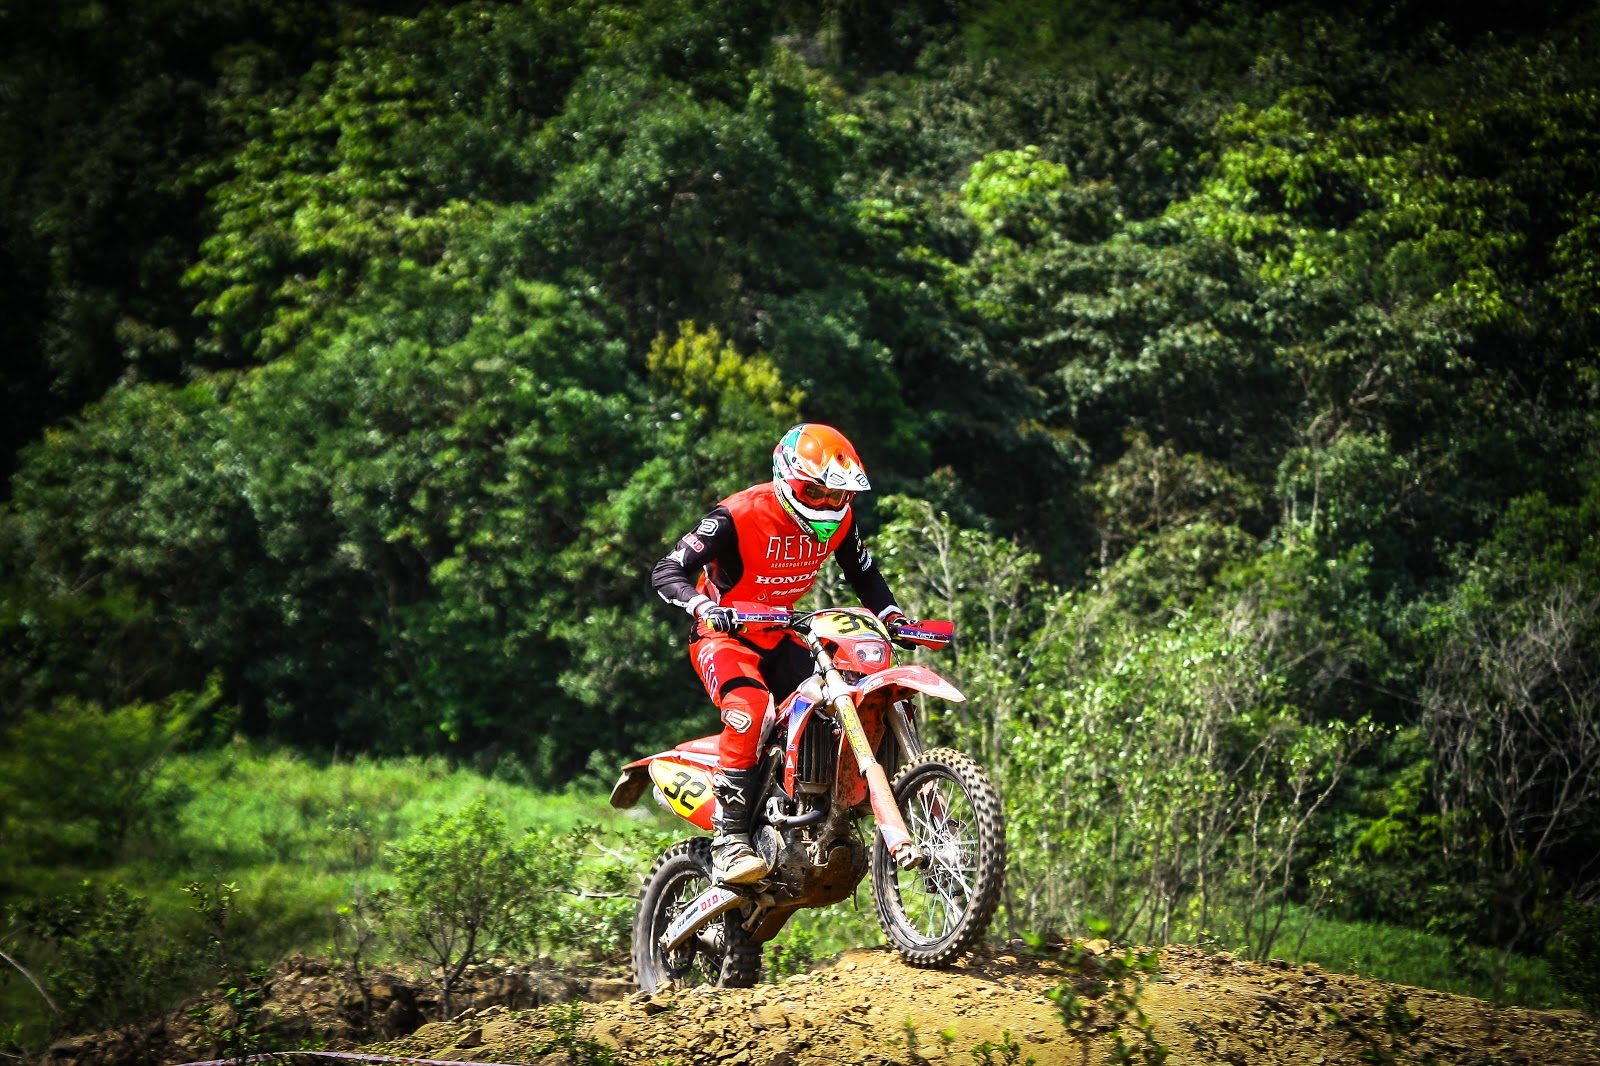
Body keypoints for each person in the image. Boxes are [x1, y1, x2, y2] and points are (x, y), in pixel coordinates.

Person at [651, 423, 911, 884]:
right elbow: (668, 570)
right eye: (816, 492)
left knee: (848, 691)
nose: (827, 504)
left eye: (837, 495)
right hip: (723, 636)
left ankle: (824, 804)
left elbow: (862, 572)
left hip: (782, 632)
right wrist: (705, 606)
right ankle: (730, 840)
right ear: (788, 480)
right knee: (751, 709)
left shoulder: (842, 520)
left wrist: (892, 616)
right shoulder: (738, 514)